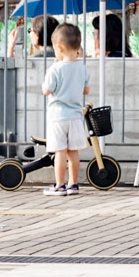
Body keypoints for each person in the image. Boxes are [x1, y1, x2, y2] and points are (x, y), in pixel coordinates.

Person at [40, 22, 91, 198]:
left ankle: (60, 186)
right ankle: (73, 184)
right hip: (76, 116)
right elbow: (86, 90)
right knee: (73, 152)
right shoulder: (82, 68)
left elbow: (47, 90)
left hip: (58, 116)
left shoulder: (55, 68)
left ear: (60, 47)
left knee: (60, 151)